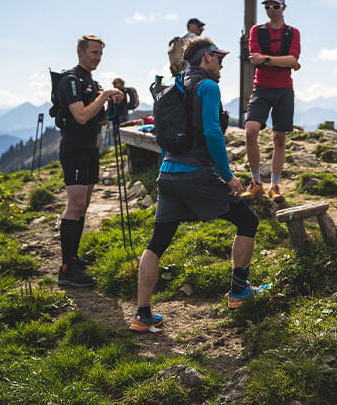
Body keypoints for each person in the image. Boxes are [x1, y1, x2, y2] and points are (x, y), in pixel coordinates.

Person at [131, 37, 270, 332]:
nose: (221, 65)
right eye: (219, 59)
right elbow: (212, 133)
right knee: (247, 221)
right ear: (206, 58)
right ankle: (239, 291)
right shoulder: (208, 86)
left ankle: (142, 315)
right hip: (196, 175)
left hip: (168, 174)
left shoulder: (177, 84)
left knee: (157, 243)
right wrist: (228, 175)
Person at [55, 35, 123, 287]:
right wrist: (104, 95)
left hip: (89, 150)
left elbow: (98, 119)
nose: (97, 57)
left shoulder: (91, 82)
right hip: (73, 149)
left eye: (100, 54)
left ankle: (73, 258)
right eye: (93, 52)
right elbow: (81, 116)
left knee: (83, 206)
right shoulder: (71, 79)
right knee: (75, 205)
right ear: (80, 51)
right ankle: (65, 269)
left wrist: (109, 104)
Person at [241, 0, 301, 204]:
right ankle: (256, 182)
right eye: (267, 6)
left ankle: (274, 185)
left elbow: (292, 58)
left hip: (284, 90)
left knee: (279, 138)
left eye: (275, 6)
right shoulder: (257, 30)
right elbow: (254, 59)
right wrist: (285, 62)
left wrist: (267, 59)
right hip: (262, 89)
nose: (271, 10)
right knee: (251, 131)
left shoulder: (293, 32)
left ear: (283, 7)